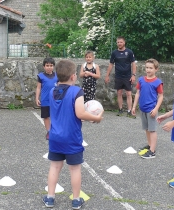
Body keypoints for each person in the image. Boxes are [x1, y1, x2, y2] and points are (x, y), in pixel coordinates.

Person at [42, 60, 103, 209]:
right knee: (75, 168)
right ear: (73, 76)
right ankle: (76, 200)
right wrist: (97, 117)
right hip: (71, 137)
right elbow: (80, 113)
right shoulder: (77, 92)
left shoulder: (52, 91)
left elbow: (63, 110)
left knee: (55, 167)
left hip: (55, 136)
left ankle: (50, 198)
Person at [131, 59, 163, 159]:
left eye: (151, 68)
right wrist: (134, 106)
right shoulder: (141, 80)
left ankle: (152, 151)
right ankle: (150, 145)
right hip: (142, 108)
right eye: (147, 68)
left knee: (152, 130)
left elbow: (161, 96)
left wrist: (156, 109)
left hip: (151, 110)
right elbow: (138, 93)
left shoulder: (158, 82)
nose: (148, 70)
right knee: (146, 129)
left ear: (156, 69)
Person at [104, 36, 136, 118]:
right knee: (119, 93)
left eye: (121, 42)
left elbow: (133, 64)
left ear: (124, 42)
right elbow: (111, 64)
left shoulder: (129, 52)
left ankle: (129, 111)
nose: (119, 43)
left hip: (127, 76)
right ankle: (120, 109)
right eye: (118, 42)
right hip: (118, 76)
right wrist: (107, 75)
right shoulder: (114, 53)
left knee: (129, 93)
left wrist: (133, 75)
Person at [35, 57, 58, 140]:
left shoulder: (57, 76)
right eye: (47, 65)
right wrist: (37, 98)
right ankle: (49, 131)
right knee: (46, 116)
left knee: (56, 116)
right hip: (45, 100)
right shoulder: (41, 76)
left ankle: (56, 130)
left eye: (51, 65)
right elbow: (38, 88)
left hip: (55, 100)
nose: (49, 67)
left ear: (54, 66)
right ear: (44, 67)